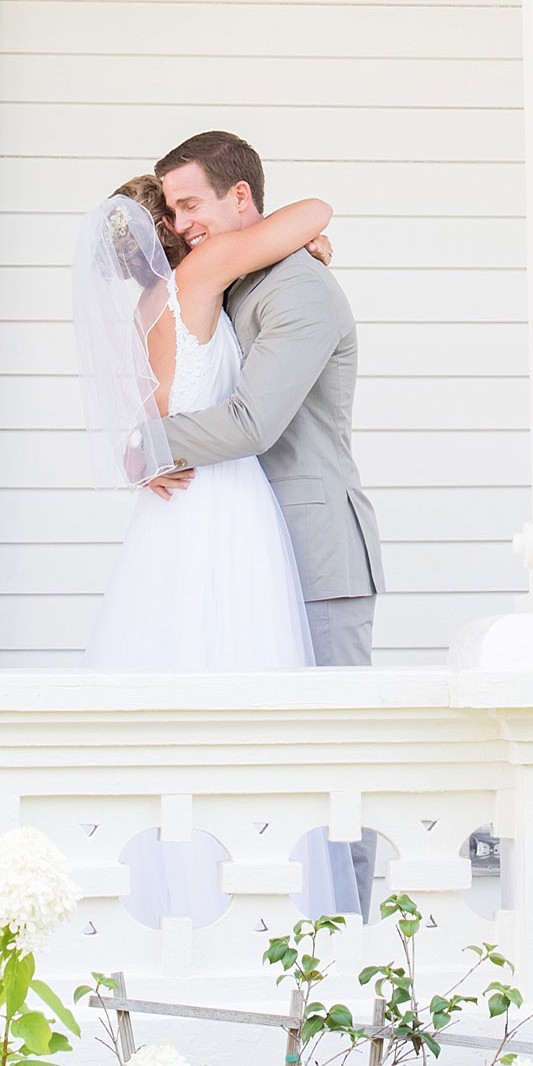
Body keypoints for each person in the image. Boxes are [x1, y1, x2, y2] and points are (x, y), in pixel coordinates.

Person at [74, 175, 330, 673]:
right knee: (237, 636)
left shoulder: (143, 311)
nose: (191, 221)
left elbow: (148, 416)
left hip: (169, 498)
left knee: (168, 636)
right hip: (224, 487)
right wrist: (307, 238)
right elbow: (316, 208)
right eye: (180, 210)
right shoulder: (201, 272)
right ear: (167, 226)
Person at [153, 130, 382, 670]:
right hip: (242, 546)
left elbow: (252, 424)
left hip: (313, 551)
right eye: (172, 212)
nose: (181, 225)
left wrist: (145, 444)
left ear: (239, 196)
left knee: (327, 733)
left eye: (190, 205)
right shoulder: (229, 281)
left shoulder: (296, 286)